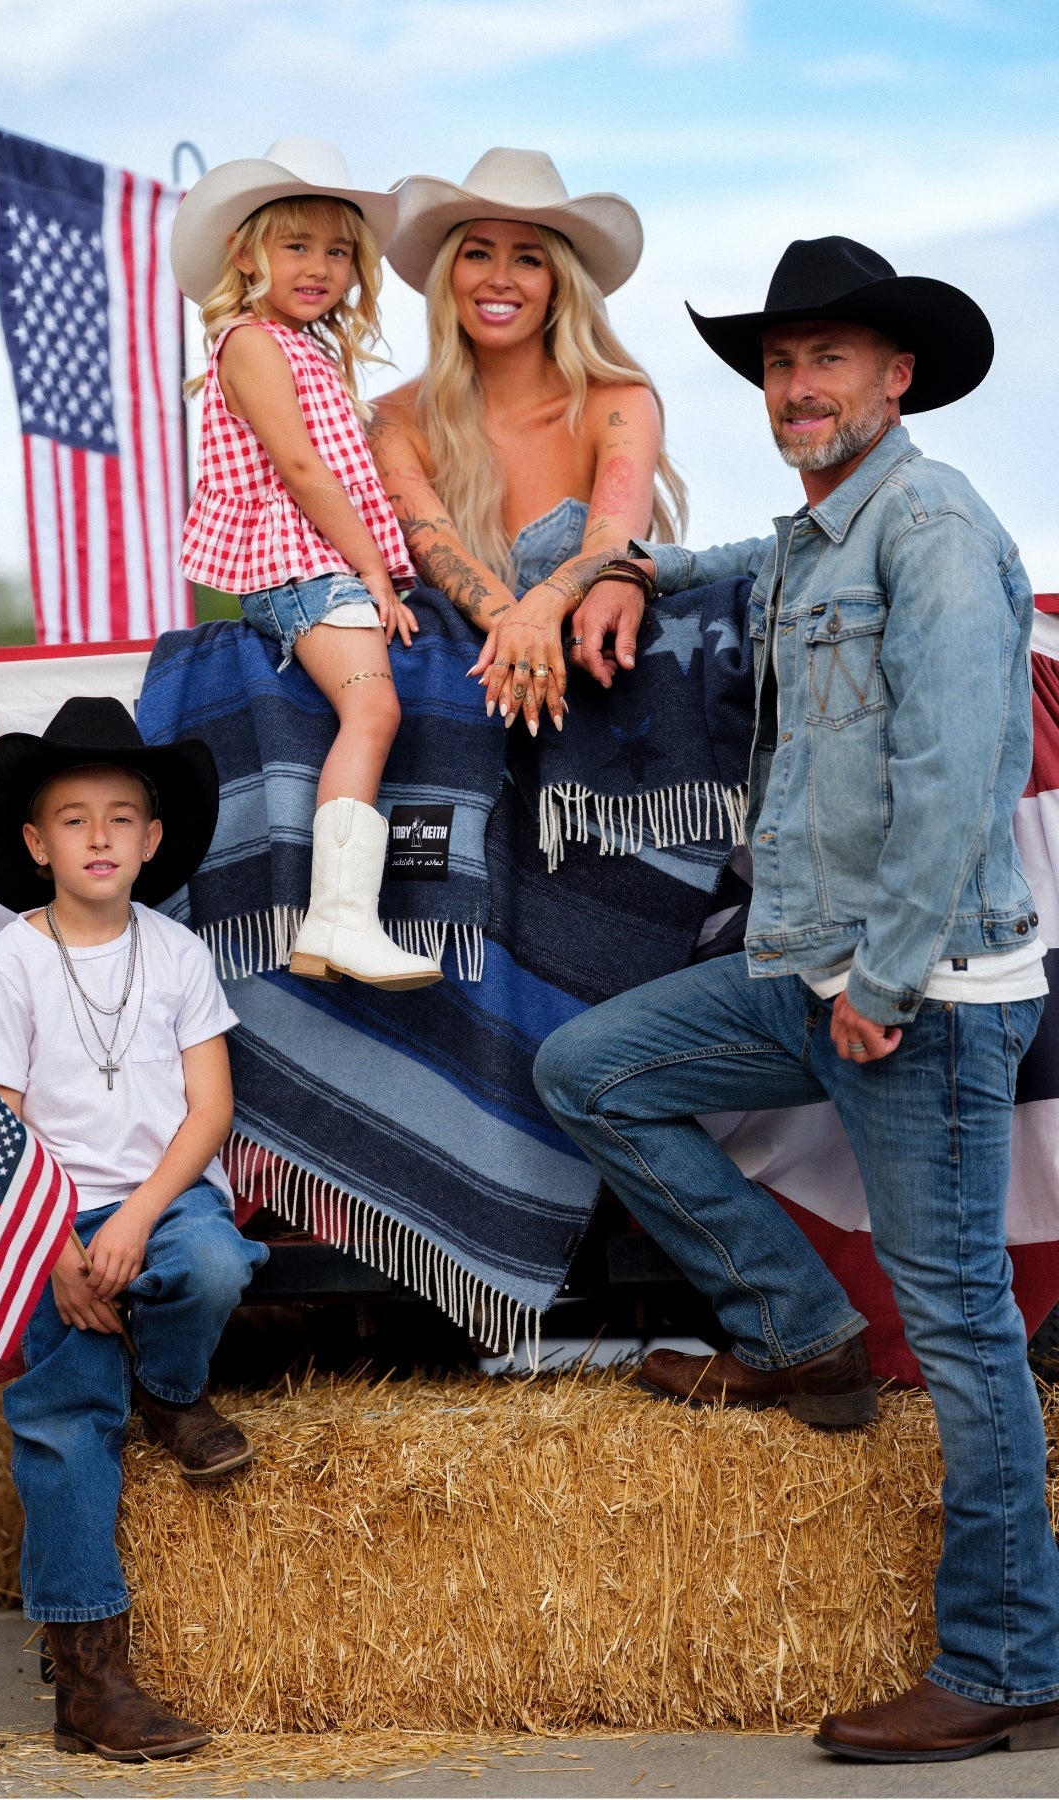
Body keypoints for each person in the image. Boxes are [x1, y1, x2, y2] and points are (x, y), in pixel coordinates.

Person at [534, 237, 1059, 1762]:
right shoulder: (826, 534)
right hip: (815, 969)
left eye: (828, 357)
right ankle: (799, 1331)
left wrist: (887, 983)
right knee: (593, 1070)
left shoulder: (933, 527)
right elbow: (742, 564)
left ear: (898, 375)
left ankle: (1009, 1663)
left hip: (921, 990)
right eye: (778, 364)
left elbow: (962, 774)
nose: (796, 386)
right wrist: (626, 564)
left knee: (962, 1328)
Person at [0, 696, 270, 1762]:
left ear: (153, 839)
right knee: (62, 1421)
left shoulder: (177, 954)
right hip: (51, 1213)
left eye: (121, 817)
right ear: (36, 843)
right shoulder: (12, 961)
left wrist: (138, 1216)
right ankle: (90, 1680)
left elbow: (210, 1110)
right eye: (74, 819)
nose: (100, 835)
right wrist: (57, 1250)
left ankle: (170, 1391)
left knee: (213, 1261)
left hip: (164, 1199)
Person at [171, 139, 440, 990]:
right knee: (373, 711)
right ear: (245, 253)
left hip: (320, 561)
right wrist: (373, 570)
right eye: (296, 245)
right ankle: (340, 918)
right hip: (305, 566)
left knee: (377, 709)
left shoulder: (308, 347)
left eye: (338, 250)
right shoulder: (252, 342)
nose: (320, 267)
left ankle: (337, 922)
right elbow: (299, 467)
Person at [370, 147, 686, 736]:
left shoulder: (619, 402)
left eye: (528, 258)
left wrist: (542, 607)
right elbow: (439, 552)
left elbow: (615, 543)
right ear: (448, 274)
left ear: (558, 282)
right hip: (452, 706)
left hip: (600, 697)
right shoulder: (391, 420)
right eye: (478, 253)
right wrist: (522, 628)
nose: (500, 277)